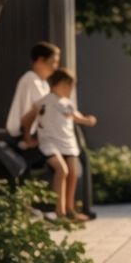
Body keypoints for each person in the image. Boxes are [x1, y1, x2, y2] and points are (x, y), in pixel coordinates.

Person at [33, 68, 97, 222]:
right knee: (62, 170)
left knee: (73, 173)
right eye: (70, 86)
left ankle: (70, 210)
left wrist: (87, 120)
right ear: (60, 84)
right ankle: (59, 212)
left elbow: (76, 116)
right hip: (50, 143)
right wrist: (28, 137)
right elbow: (29, 117)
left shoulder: (68, 104)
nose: (71, 90)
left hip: (68, 143)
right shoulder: (45, 101)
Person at [5, 41, 62, 174]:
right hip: (21, 137)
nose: (56, 67)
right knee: (60, 168)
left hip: (36, 136)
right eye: (53, 62)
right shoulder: (31, 79)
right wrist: (28, 139)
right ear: (41, 60)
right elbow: (35, 111)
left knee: (63, 167)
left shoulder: (44, 84)